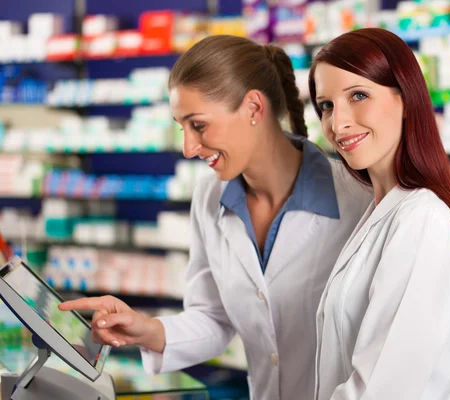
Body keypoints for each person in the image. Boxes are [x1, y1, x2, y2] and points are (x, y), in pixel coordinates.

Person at [59, 35, 372, 400]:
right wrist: (146, 329)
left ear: (254, 108)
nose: (188, 149)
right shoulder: (210, 197)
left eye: (199, 126)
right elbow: (214, 317)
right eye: (183, 129)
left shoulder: (359, 200)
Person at [308, 28, 450, 400]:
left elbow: (381, 391)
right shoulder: (382, 211)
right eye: (326, 105)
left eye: (358, 96)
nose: (337, 124)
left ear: (406, 98)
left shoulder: (423, 220)